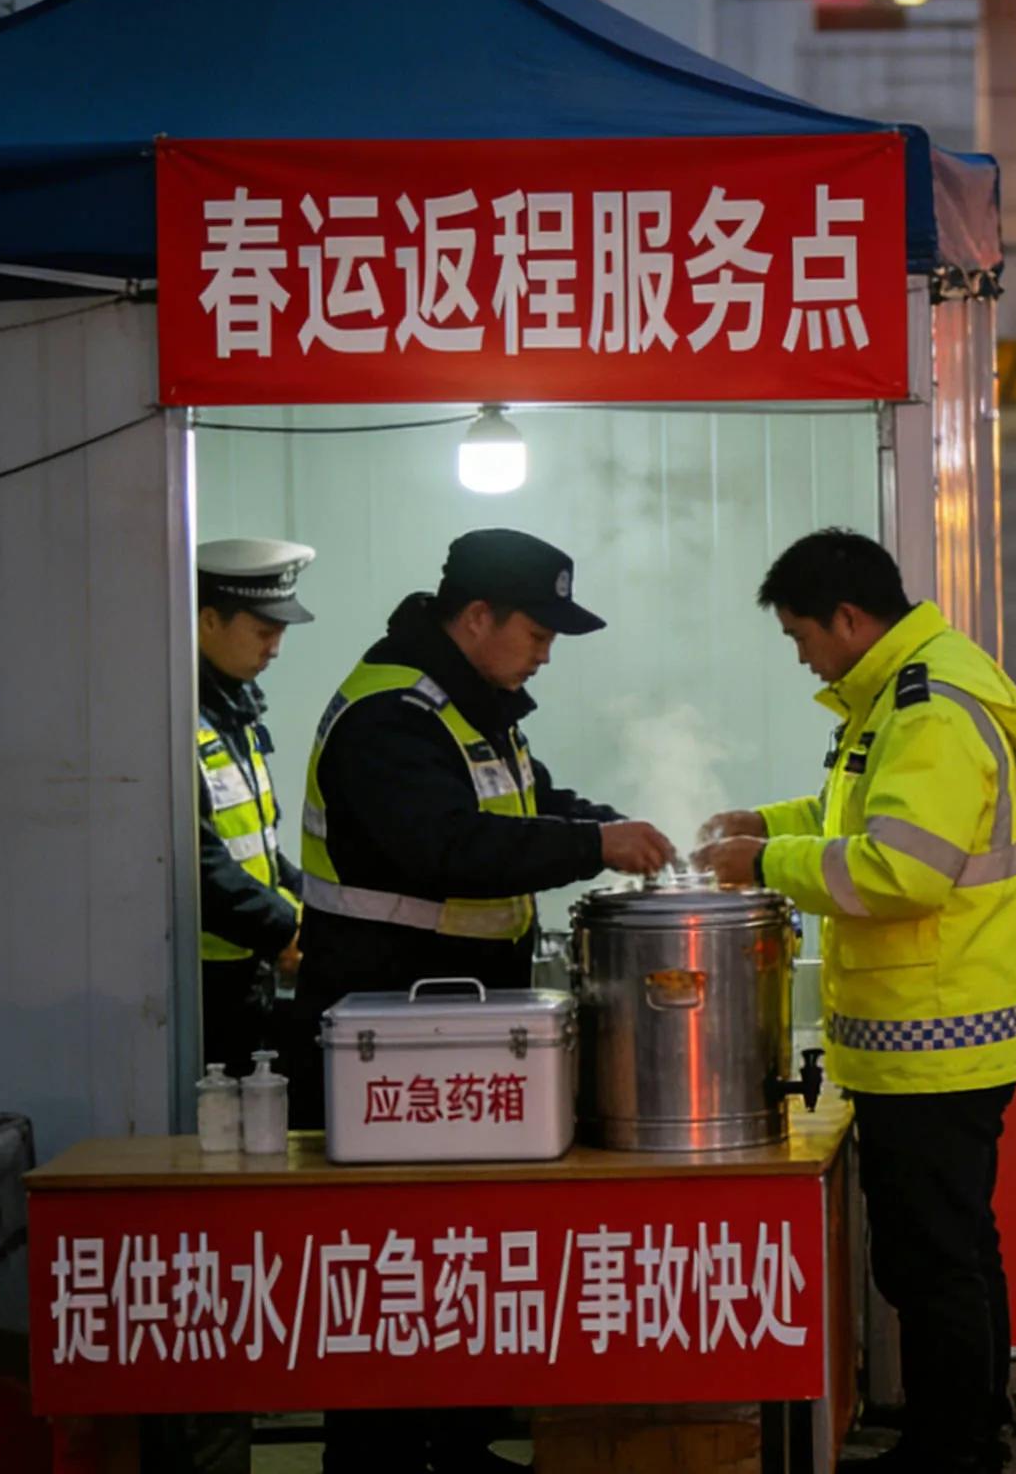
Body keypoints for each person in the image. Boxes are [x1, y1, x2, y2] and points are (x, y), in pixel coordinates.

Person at [291, 530, 669, 1472]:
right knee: (389, 1260)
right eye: (538, 631)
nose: (547, 651)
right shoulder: (391, 716)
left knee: (460, 1243)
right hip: (387, 1030)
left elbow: (530, 804)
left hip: (459, 1025)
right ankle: (379, 1457)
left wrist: (612, 825)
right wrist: (596, 847)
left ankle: (454, 1445)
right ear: (475, 618)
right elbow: (446, 848)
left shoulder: (479, 709)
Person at [694, 529, 1016, 1474]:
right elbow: (860, 817)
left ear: (850, 618)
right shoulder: (899, 693)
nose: (803, 654)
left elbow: (902, 867)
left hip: (935, 1035)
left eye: (801, 635)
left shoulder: (928, 709)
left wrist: (766, 864)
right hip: (934, 1029)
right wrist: (763, 825)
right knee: (953, 1243)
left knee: (932, 1258)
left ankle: (956, 1444)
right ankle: (971, 1417)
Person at [192, 537, 315, 1071]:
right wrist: (284, 928)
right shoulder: (174, 718)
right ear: (207, 621)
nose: (276, 648)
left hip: (245, 972)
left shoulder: (232, 713)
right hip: (199, 985)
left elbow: (259, 849)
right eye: (264, 631)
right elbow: (196, 861)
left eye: (281, 632)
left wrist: (321, 907)